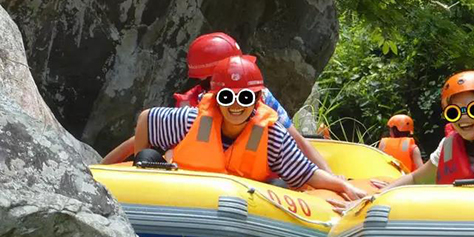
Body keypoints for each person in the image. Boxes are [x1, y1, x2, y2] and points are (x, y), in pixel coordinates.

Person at [132, 55, 366, 200]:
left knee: (279, 186)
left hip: (245, 204)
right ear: (215, 99)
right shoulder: (191, 120)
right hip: (184, 196)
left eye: (244, 98)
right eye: (226, 98)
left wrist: (342, 185)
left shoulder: (272, 135)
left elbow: (308, 174)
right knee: (147, 156)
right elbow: (146, 119)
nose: (235, 105)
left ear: (256, 99)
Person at [101, 32, 334, 173]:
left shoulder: (259, 97)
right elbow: (153, 135)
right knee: (147, 159)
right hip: (196, 181)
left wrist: (330, 175)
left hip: (251, 179)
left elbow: (296, 141)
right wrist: (102, 170)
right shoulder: (195, 102)